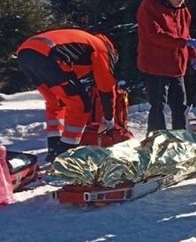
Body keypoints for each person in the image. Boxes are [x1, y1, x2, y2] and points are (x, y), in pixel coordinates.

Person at [16, 29, 119, 161]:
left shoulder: (83, 43)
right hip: (48, 56)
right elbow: (106, 86)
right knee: (81, 105)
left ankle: (54, 148)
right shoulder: (101, 48)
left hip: (26, 54)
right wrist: (110, 118)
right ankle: (67, 156)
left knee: (56, 102)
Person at [136, 0, 196, 134]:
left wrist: (192, 52)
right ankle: (156, 140)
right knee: (158, 105)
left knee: (180, 106)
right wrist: (183, 43)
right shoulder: (149, 6)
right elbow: (153, 34)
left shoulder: (183, 10)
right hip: (156, 65)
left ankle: (179, 139)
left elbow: (185, 34)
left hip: (177, 65)